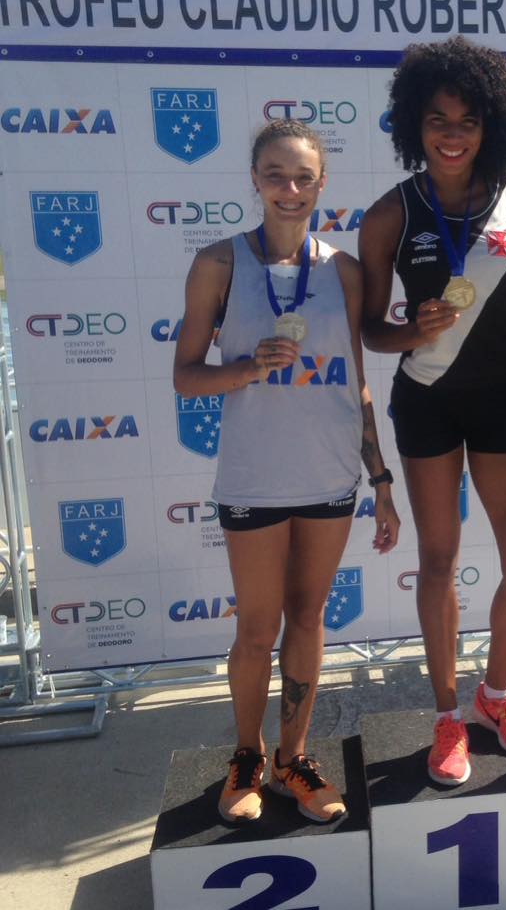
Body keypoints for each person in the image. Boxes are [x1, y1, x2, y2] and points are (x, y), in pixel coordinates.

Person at [174, 119, 400, 824]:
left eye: (304, 177)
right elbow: (186, 376)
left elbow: (356, 379)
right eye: (276, 175)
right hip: (254, 480)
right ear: (255, 179)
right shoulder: (218, 263)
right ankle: (246, 754)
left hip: (330, 479)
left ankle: (292, 758)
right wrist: (246, 368)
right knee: (256, 628)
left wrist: (381, 478)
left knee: (307, 618)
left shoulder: (344, 271)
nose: (290, 189)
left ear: (322, 183)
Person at [360, 36, 506, 786]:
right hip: (427, 401)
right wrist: (410, 331)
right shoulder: (389, 214)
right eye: (438, 120)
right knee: (439, 562)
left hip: (504, 400)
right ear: (414, 123)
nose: (452, 135)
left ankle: (496, 695)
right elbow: (371, 330)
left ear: (493, 126)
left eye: (468, 121)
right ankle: (448, 716)